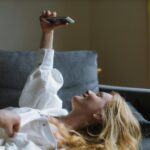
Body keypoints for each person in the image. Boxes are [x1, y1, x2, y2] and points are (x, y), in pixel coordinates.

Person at [0, 10, 141, 150]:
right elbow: (43, 72)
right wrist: (48, 32)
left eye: (98, 95)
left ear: (99, 114)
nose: (90, 92)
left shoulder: (59, 143)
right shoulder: (51, 108)